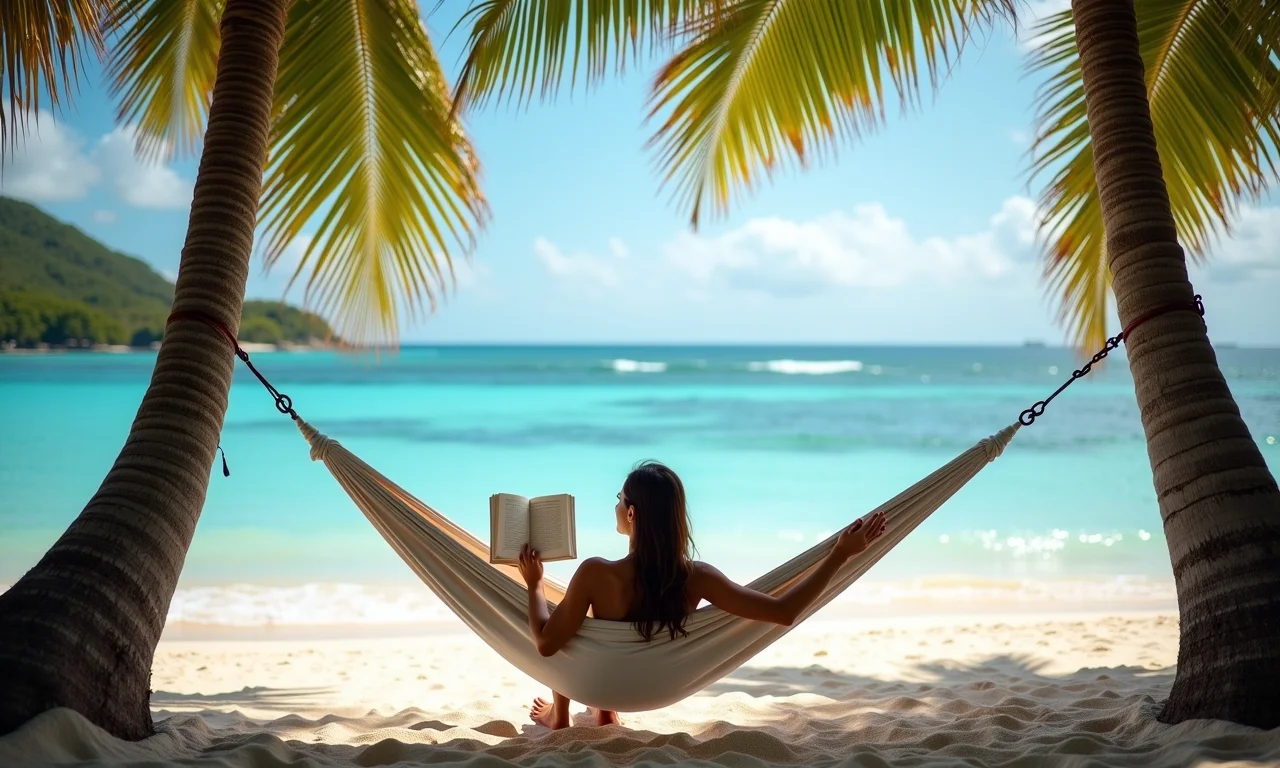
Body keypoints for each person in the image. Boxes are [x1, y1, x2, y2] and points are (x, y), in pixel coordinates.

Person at [515, 460, 889, 730]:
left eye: (619, 498)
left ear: (631, 514)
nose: (615, 505)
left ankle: (559, 714)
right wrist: (839, 555)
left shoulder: (596, 573)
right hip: (655, 689)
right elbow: (785, 611)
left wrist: (533, 583)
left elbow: (547, 645)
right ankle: (605, 713)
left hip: (594, 684)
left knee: (563, 614)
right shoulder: (697, 578)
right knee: (582, 617)